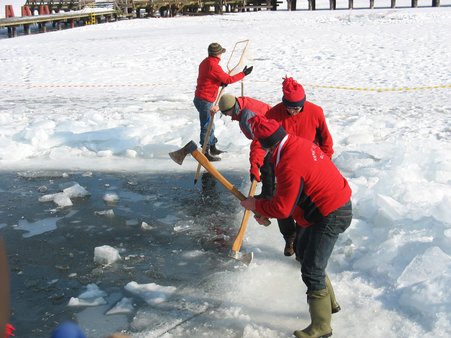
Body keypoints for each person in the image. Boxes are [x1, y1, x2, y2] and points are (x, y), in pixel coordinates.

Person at [240, 116, 352, 338]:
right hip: (323, 209)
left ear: (267, 145)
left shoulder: (289, 162)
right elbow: (292, 198)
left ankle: (322, 327)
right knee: (305, 254)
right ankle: (330, 305)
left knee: (312, 269)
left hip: (331, 212)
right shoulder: (294, 143)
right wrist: (263, 209)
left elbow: (283, 208)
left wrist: (257, 204)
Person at [261, 76, 334, 257]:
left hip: (308, 167)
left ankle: (301, 242)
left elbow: (326, 141)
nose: (294, 112)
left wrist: (323, 163)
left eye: (297, 108)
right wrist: (257, 163)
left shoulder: (315, 112)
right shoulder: (273, 114)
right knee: (281, 204)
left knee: (303, 207)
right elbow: (260, 141)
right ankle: (289, 238)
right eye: (290, 108)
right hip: (282, 167)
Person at [194, 42, 253, 161]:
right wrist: (243, 74)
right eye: (221, 53)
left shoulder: (205, 62)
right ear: (218, 54)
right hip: (205, 100)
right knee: (207, 125)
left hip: (202, 98)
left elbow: (209, 78)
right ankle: (205, 151)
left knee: (211, 124)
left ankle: (212, 147)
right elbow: (229, 79)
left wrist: (220, 82)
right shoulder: (213, 65)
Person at [216, 94, 272, 182]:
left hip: (274, 134)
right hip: (270, 132)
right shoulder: (241, 104)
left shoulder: (247, 116)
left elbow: (259, 141)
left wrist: (254, 164)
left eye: (225, 113)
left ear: (232, 108)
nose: (226, 115)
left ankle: (269, 194)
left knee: (267, 164)